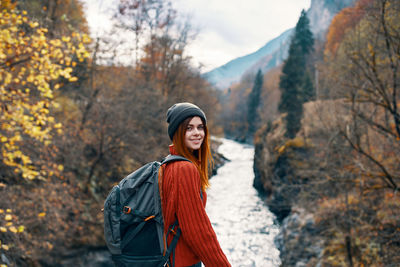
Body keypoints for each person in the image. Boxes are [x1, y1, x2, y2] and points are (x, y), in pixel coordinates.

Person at [159, 102, 231, 267]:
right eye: (189, 128)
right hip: (182, 262)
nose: (197, 133)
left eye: (200, 127)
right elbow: (197, 231)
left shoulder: (168, 164)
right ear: (177, 132)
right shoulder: (184, 169)